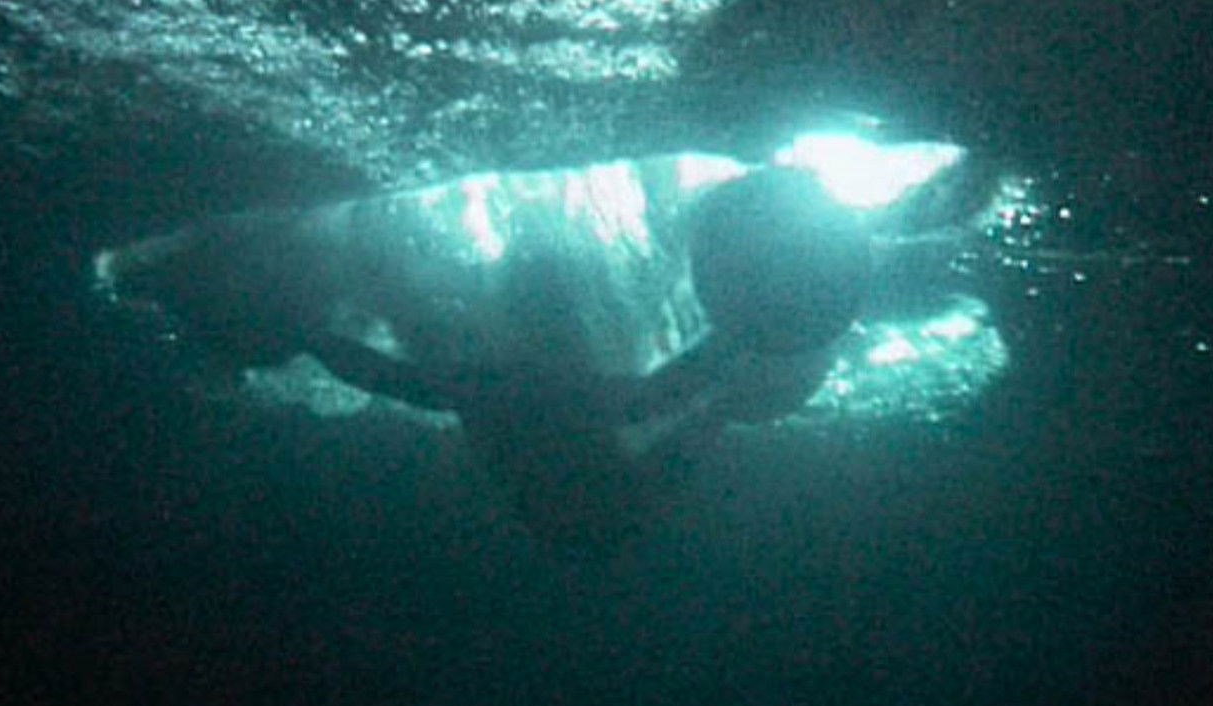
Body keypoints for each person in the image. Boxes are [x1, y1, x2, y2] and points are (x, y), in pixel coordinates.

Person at [95, 136, 970, 541]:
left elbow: (418, 385)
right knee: (709, 410)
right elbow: (645, 402)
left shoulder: (501, 385)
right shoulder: (519, 391)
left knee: (707, 406)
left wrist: (322, 343)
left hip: (579, 500)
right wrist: (732, 357)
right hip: (591, 509)